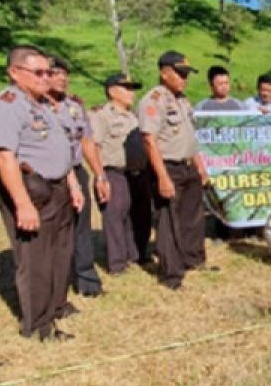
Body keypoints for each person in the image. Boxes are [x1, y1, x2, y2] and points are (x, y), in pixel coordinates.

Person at [0, 45, 84, 342]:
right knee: (37, 257)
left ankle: (56, 305)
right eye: (38, 73)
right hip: (32, 189)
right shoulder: (6, 105)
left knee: (60, 252)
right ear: (14, 72)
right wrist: (22, 204)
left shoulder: (41, 105)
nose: (45, 78)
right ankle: (39, 324)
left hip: (59, 188)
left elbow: (61, 149)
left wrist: (74, 185)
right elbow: (5, 158)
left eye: (48, 72)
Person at [140, 51, 213, 290]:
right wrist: (162, 176)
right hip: (167, 167)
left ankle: (193, 259)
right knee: (168, 220)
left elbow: (190, 137)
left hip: (188, 166)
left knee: (192, 216)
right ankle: (171, 274)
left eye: (186, 74)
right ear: (164, 73)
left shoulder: (182, 100)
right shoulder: (152, 100)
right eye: (180, 74)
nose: (184, 79)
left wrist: (200, 165)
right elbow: (149, 141)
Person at [48, 55, 106, 304]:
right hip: (48, 176)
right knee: (53, 232)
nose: (62, 78)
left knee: (82, 225)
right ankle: (54, 284)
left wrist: (99, 174)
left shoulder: (74, 105)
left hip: (76, 170)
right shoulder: (35, 106)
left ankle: (86, 278)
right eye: (55, 73)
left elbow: (87, 141)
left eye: (64, 73)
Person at [89, 73, 151, 275]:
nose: (131, 92)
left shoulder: (134, 116)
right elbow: (94, 146)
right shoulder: (101, 115)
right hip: (113, 172)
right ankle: (117, 263)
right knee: (115, 217)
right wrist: (100, 176)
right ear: (112, 91)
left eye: (132, 88)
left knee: (138, 216)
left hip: (137, 173)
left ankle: (136, 254)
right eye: (127, 88)